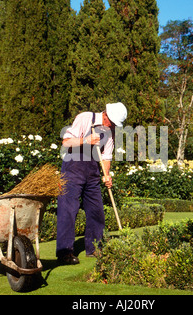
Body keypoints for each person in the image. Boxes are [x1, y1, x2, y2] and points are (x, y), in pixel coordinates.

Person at [56, 102, 127, 265]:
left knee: (96, 210)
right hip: (73, 169)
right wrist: (85, 140)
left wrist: (106, 175)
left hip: (93, 172)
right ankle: (64, 252)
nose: (114, 126)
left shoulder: (110, 132)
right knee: (68, 210)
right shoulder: (84, 118)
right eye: (113, 122)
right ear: (106, 115)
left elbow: (107, 156)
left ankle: (94, 247)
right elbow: (66, 142)